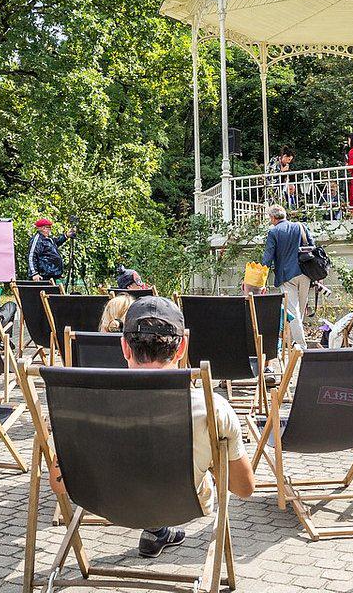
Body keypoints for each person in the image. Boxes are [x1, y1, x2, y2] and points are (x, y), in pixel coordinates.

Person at [47, 297, 254, 557]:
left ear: (124, 347)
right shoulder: (213, 409)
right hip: (181, 506)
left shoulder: (82, 404)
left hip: (106, 503)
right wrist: (211, 460)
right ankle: (159, 529)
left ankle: (157, 532)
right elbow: (244, 488)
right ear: (182, 348)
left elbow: (58, 485)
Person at [262, 204, 308, 349]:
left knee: (293, 311)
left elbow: (268, 257)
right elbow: (312, 246)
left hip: (287, 276)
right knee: (300, 311)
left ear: (273, 217)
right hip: (306, 273)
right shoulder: (300, 226)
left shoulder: (273, 232)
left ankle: (301, 345)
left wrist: (261, 275)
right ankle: (294, 342)